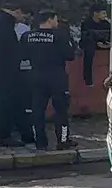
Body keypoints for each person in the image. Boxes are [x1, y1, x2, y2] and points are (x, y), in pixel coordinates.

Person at [22, 10, 77, 151]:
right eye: (56, 20)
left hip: (35, 75)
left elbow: (22, 55)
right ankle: (62, 141)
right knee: (61, 110)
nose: (57, 23)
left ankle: (40, 142)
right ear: (50, 20)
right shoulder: (59, 35)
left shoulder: (27, 36)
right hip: (56, 76)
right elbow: (70, 55)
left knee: (37, 110)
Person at [0, 2, 31, 147]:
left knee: (11, 103)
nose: (23, 20)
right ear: (18, 10)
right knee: (6, 104)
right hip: (4, 72)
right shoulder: (3, 23)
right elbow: (10, 49)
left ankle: (23, 134)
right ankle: (5, 136)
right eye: (24, 16)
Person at [79, 4, 111, 86]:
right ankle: (88, 80)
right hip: (91, 45)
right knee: (89, 50)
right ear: (95, 13)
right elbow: (85, 38)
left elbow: (110, 36)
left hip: (105, 45)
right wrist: (97, 43)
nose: (105, 15)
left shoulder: (106, 24)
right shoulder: (86, 23)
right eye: (103, 13)